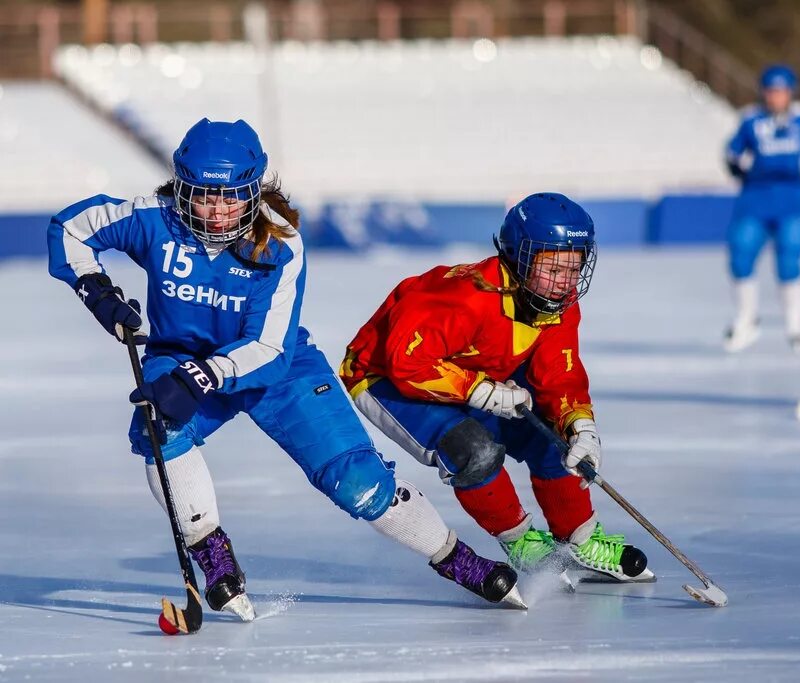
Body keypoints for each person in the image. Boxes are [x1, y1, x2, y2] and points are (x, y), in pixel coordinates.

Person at [46, 118, 525, 619]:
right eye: (203, 196)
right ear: (180, 186)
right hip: (183, 354)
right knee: (157, 429)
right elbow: (71, 229)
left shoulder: (281, 243)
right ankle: (212, 554)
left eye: (231, 196)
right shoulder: (154, 219)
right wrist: (96, 291)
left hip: (278, 367)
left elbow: (269, 348)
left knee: (356, 481)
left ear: (255, 189)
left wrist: (203, 377)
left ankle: (455, 558)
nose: (217, 211)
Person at [339, 193, 654, 583]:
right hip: (385, 375)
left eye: (574, 269)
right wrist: (482, 391)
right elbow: (408, 361)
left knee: (556, 434)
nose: (565, 283)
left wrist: (580, 425)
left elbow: (559, 373)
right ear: (518, 257)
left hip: (475, 374)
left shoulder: (559, 304)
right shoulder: (464, 299)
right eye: (553, 268)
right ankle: (520, 540)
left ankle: (580, 537)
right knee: (473, 450)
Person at [722, 64, 800, 352]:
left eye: (781, 92)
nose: (776, 97)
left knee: (789, 261)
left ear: (791, 93)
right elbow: (733, 153)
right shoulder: (751, 119)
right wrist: (735, 164)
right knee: (741, 256)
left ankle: (795, 327)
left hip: (791, 202)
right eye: (771, 91)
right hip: (755, 200)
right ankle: (748, 319)